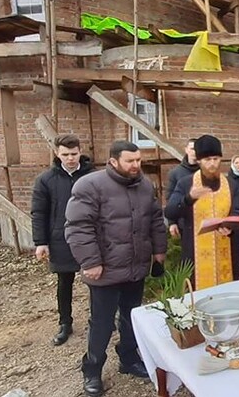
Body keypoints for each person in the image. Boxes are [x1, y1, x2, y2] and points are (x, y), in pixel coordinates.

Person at [65, 141, 167, 397]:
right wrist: (90, 261)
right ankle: (92, 369)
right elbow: (78, 227)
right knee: (101, 323)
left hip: (135, 266)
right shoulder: (90, 185)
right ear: (113, 161)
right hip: (105, 270)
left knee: (132, 317)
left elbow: (155, 220)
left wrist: (159, 250)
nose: (136, 165)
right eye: (130, 161)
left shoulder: (145, 186)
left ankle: (128, 358)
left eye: (138, 160)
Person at [31, 134, 95, 346]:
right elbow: (39, 212)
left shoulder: (93, 177)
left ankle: (99, 319)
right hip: (61, 238)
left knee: (96, 281)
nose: (70, 158)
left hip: (90, 237)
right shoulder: (46, 180)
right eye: (65, 154)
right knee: (64, 282)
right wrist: (41, 242)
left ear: (80, 151)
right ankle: (65, 323)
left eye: (73, 154)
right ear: (57, 154)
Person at [165, 135, 239, 288]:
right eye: (207, 159)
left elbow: (238, 211)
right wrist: (189, 198)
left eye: (216, 159)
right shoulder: (186, 183)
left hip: (226, 248)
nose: (212, 164)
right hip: (195, 251)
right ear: (199, 161)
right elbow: (170, 212)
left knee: (228, 293)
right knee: (198, 295)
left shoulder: (231, 184)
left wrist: (230, 227)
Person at [166, 138, 198, 238]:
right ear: (186, 150)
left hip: (204, 219)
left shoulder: (205, 171)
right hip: (184, 222)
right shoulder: (176, 173)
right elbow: (170, 199)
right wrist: (172, 222)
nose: (195, 152)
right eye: (192, 149)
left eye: (197, 149)